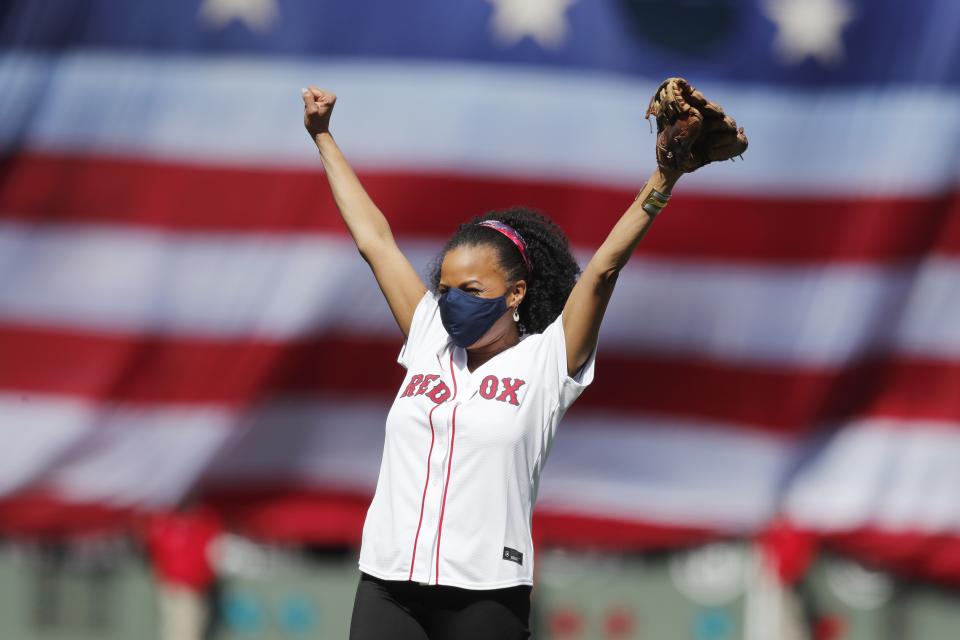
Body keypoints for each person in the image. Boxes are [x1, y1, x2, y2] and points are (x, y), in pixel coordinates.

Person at [301, 85, 682, 640]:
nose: (451, 298)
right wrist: (323, 137)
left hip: (484, 596)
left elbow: (602, 270)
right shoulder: (431, 334)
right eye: (446, 286)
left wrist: (663, 181)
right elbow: (375, 241)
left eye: (471, 288)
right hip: (388, 583)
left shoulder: (548, 360)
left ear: (516, 293)